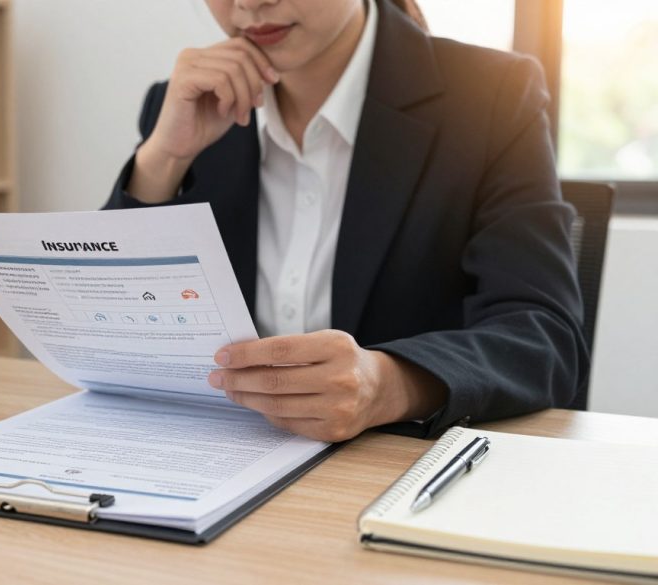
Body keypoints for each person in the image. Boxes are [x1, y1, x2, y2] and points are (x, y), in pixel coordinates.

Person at [103, 0, 588, 441]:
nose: (249, 3)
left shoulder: (491, 94)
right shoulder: (185, 103)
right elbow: (104, 329)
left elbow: (544, 335)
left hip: (398, 466)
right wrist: (162, 159)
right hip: (217, 457)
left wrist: (389, 383)